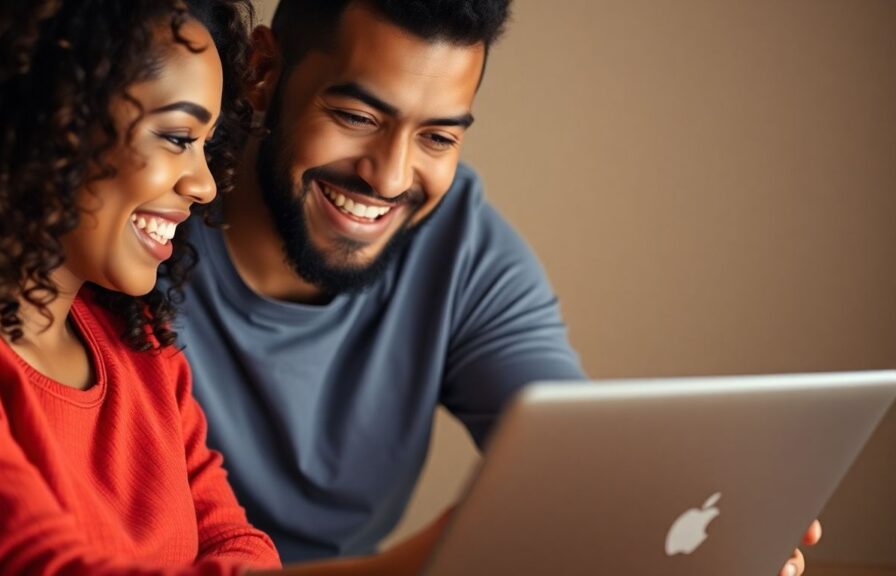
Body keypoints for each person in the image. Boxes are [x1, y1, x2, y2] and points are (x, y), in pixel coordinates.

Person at [176, 1, 821, 574]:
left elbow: (574, 462)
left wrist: (687, 523)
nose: (392, 176)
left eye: (438, 137)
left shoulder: (459, 244)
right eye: (356, 115)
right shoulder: (146, 231)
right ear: (262, 74)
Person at [0, 0, 441, 573]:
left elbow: (240, 543)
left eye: (207, 143)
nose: (204, 185)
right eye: (175, 136)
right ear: (46, 120)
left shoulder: (142, 348)